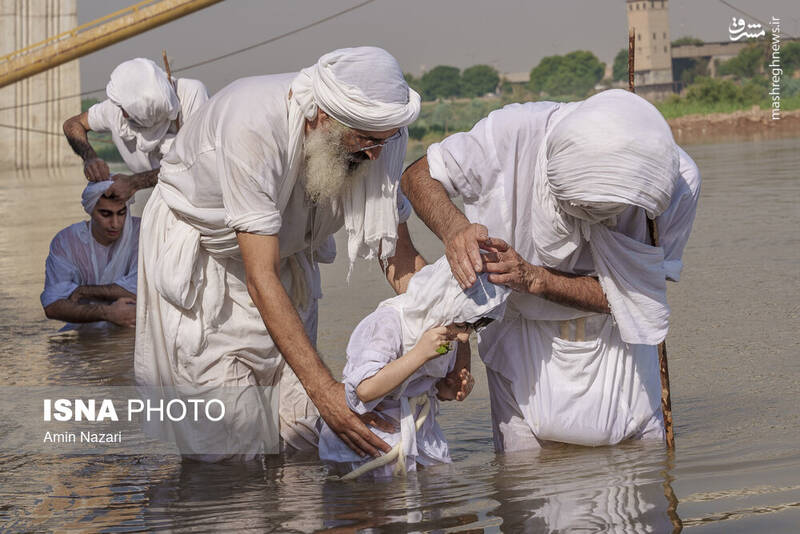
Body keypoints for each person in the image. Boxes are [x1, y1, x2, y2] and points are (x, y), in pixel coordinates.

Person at [134, 47, 436, 461]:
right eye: (365, 139)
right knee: (227, 448)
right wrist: (327, 392)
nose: (374, 156)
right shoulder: (254, 124)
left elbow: (397, 256)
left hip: (286, 265)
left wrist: (447, 336)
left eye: (384, 140)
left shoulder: (381, 137)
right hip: (209, 272)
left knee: (302, 438)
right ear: (321, 116)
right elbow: (261, 277)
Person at [401, 89, 701, 451]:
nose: (593, 223)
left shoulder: (674, 181)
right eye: (584, 209)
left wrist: (535, 278)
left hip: (619, 339)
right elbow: (418, 176)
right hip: (519, 333)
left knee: (643, 460)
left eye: (608, 214)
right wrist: (455, 230)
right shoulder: (511, 134)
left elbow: (640, 296)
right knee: (522, 476)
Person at [319, 257, 508, 478]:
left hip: (419, 433)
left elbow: (427, 386)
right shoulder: (389, 323)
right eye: (462, 325)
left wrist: (448, 389)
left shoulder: (445, 328)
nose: (465, 336)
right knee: (378, 502)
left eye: (475, 326)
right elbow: (363, 390)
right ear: (441, 304)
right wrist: (419, 354)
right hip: (371, 435)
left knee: (440, 489)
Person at [62, 57, 209, 201]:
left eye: (128, 111)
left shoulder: (190, 95)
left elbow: (197, 165)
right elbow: (73, 124)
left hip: (203, 200)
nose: (124, 115)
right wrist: (90, 158)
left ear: (148, 111)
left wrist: (134, 183)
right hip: (165, 198)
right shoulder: (118, 109)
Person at [41, 180, 140, 330]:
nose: (116, 223)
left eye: (121, 213)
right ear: (91, 210)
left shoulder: (142, 232)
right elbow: (52, 305)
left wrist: (84, 291)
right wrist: (108, 313)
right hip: (89, 332)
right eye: (106, 214)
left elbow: (142, 291)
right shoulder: (66, 242)